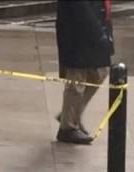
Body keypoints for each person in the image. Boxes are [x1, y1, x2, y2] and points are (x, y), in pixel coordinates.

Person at [55, 0, 113, 145]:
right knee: (77, 79)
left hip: (95, 28)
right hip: (78, 32)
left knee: (100, 71)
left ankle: (69, 113)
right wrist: (97, 32)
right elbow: (79, 7)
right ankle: (67, 128)